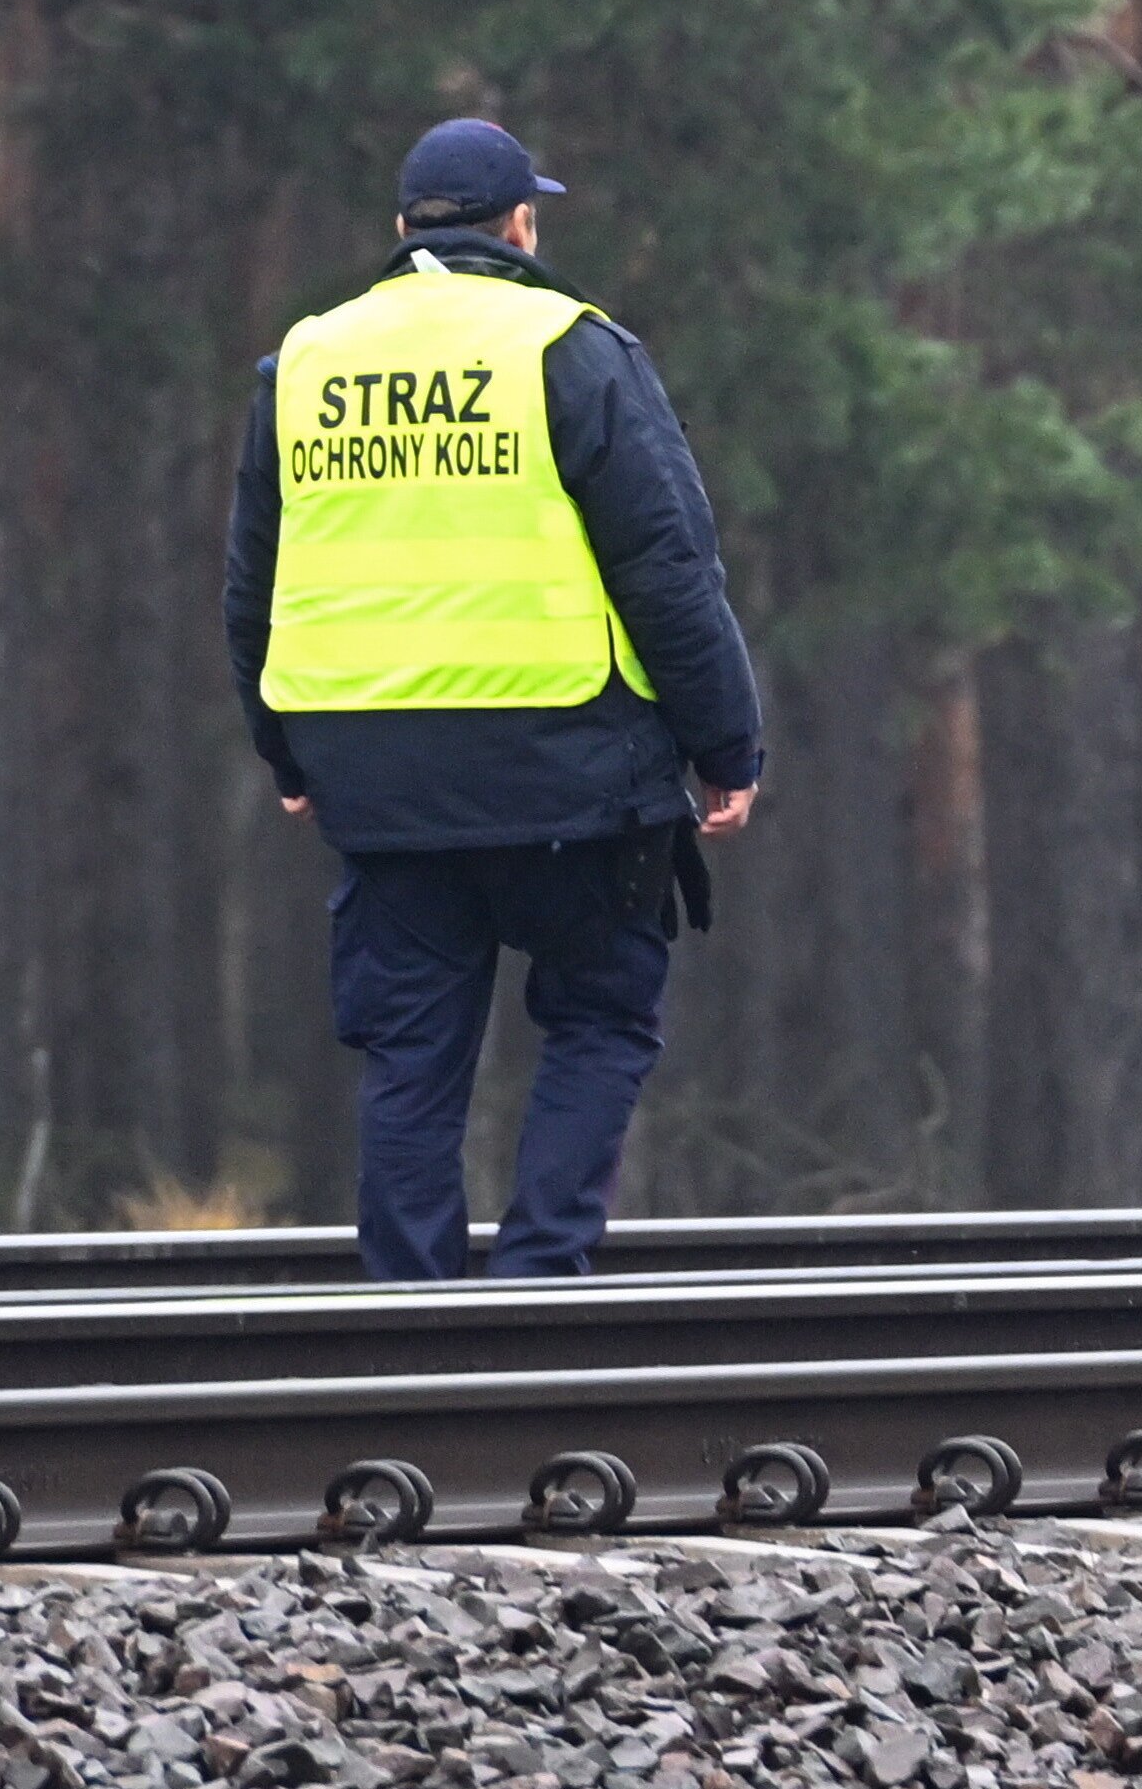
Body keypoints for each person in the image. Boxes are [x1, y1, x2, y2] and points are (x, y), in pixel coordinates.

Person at [226, 119, 765, 1281]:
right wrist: (727, 745)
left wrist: (288, 756)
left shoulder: (307, 360)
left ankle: (414, 1331)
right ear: (522, 224)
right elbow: (667, 568)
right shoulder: (570, 345)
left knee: (411, 1056)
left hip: (381, 785)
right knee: (601, 1017)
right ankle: (537, 1294)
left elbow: (252, 585)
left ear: (401, 228)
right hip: (572, 768)